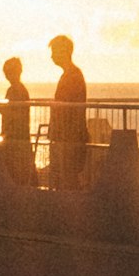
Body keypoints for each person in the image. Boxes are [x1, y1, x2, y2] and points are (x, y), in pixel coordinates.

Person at [46, 34, 88, 191]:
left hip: (70, 136)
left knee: (68, 177)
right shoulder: (71, 74)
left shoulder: (72, 75)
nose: (52, 56)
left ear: (63, 52)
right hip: (68, 135)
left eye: (54, 51)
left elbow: (68, 107)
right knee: (67, 177)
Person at [0, 56, 36, 186]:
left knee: (17, 173)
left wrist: (0, 108)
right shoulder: (19, 89)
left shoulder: (16, 90)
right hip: (18, 137)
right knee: (22, 172)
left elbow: (15, 113)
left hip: (16, 138)